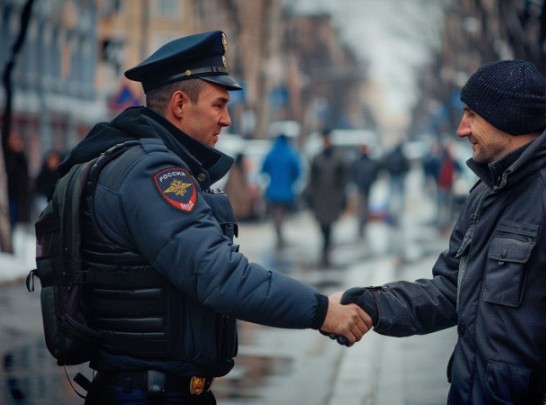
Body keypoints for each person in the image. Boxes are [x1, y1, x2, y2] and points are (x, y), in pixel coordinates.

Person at [54, 31, 371, 404]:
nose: (227, 119)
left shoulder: (139, 162)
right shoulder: (152, 172)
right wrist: (321, 311)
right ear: (179, 104)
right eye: (219, 104)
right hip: (151, 393)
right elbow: (218, 274)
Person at [340, 60, 546, 404]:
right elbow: (451, 291)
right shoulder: (485, 193)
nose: (462, 129)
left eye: (471, 114)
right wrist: (374, 305)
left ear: (506, 116)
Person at [306, 129, 349, 267]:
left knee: (329, 223)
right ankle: (325, 242)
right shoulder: (317, 157)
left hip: (333, 197)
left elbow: (344, 179)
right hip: (320, 197)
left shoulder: (339, 157)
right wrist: (310, 196)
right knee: (321, 223)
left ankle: (327, 245)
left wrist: (342, 197)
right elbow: (312, 178)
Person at [260, 132, 303, 249]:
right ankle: (280, 234)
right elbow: (298, 171)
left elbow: (263, 169)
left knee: (275, 213)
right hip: (286, 191)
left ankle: (278, 234)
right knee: (282, 213)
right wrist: (291, 181)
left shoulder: (271, 153)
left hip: (273, 190)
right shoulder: (291, 154)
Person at [350, 143, 381, 239]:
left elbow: (375, 171)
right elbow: (353, 173)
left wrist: (372, 181)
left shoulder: (370, 161)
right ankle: (361, 223)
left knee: (365, 206)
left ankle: (364, 222)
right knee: (361, 206)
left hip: (367, 186)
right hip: (360, 186)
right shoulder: (357, 161)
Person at [3, 130, 31, 230]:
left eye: (17, 140)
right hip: (5, 194)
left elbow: (24, 178)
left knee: (12, 224)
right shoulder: (6, 156)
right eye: (13, 139)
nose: (16, 142)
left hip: (16, 196)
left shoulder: (22, 157)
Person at [382, 142, 409, 226]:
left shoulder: (391, 155)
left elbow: (386, 164)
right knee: (400, 198)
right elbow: (407, 166)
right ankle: (398, 216)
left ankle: (391, 216)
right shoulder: (402, 155)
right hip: (399, 178)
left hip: (392, 177)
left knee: (391, 197)